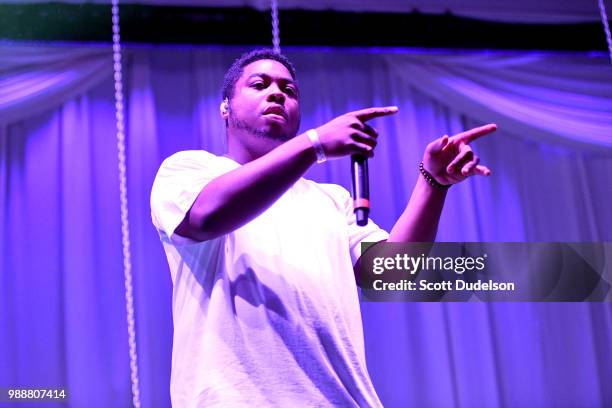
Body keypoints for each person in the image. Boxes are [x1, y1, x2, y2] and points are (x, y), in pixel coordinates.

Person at [150, 49, 496, 407]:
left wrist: (432, 183)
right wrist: (314, 145)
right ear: (226, 107)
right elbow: (207, 216)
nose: (277, 93)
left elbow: (393, 274)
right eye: (259, 84)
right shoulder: (190, 170)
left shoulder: (331, 200)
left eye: (289, 89)